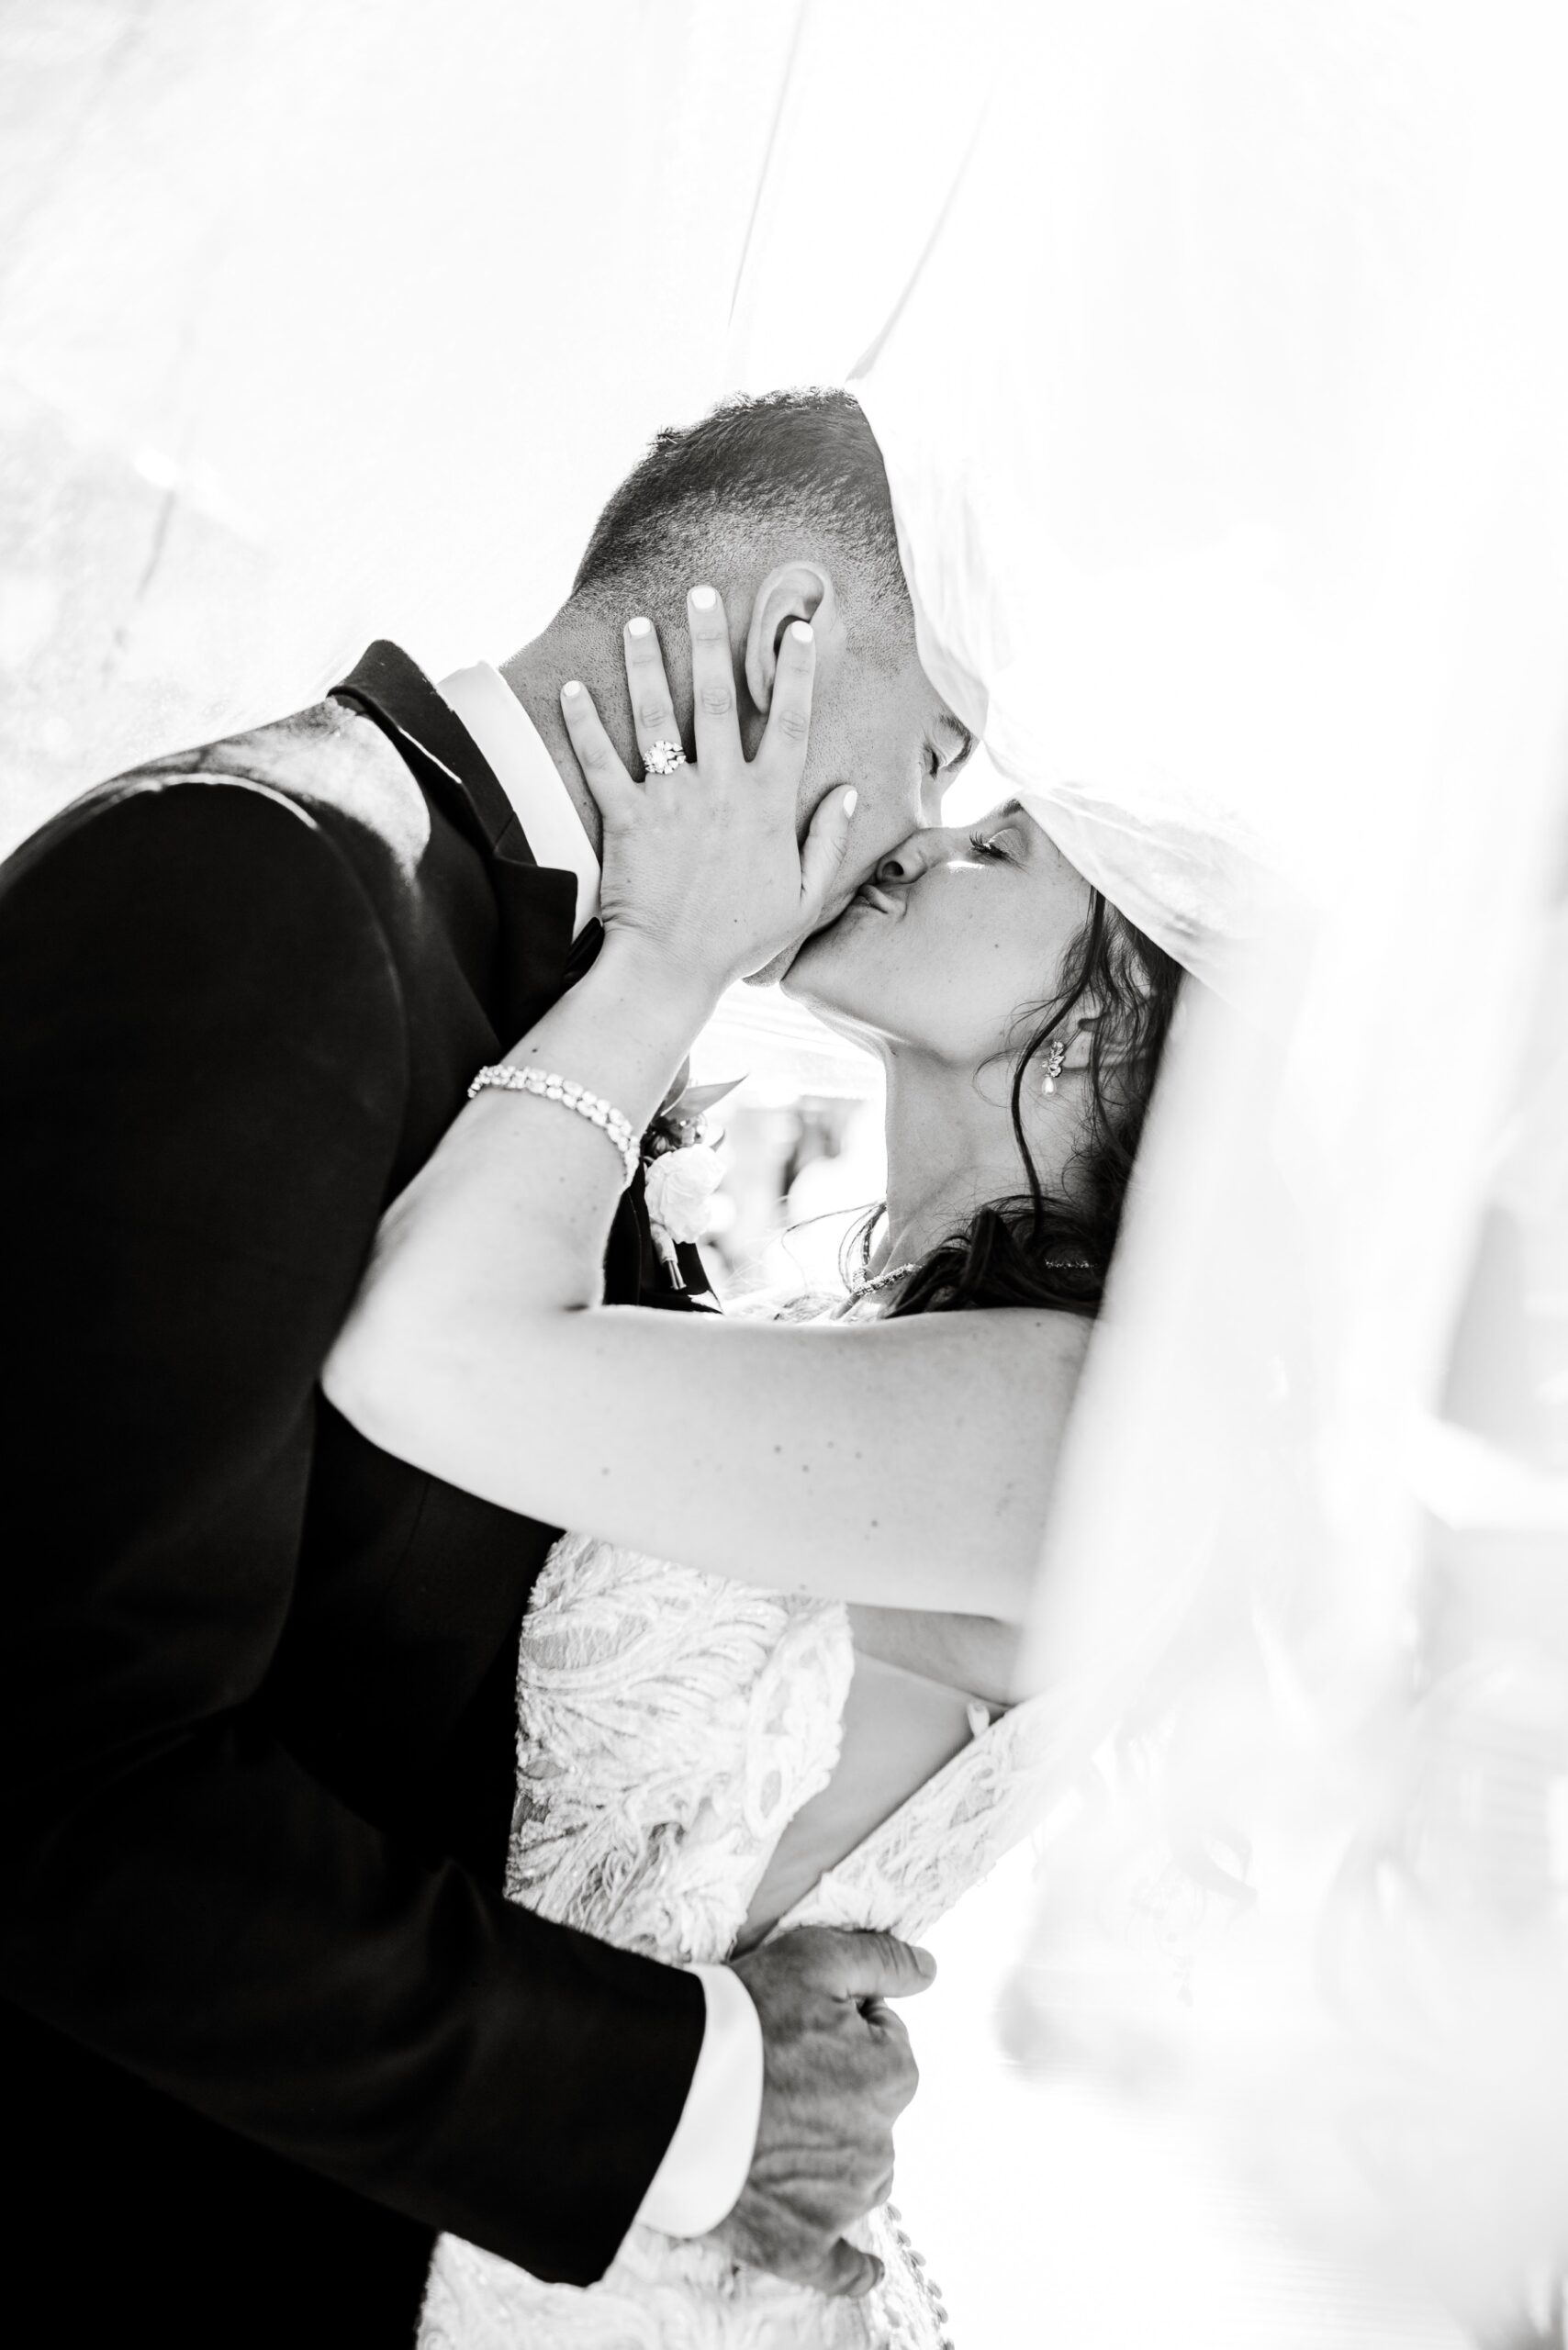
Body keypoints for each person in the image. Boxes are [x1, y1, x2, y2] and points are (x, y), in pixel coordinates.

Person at [0, 392, 988, 2348]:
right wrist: (687, 2096)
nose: (929, 829)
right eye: (939, 749)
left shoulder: (544, 986)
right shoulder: (256, 883)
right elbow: (57, 1776)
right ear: (788, 646)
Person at [324, 581, 1182, 2344]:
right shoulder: (886, 1347)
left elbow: (424, 1355)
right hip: (482, 2168)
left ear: (1107, 1021)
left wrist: (668, 955)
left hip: (574, 2264)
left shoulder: (1057, 1431)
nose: (921, 836)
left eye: (999, 853)